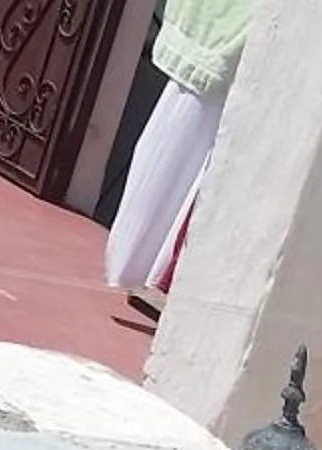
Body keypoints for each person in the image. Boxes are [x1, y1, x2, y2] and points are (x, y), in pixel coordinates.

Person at [103, 0, 255, 303]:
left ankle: (148, 273)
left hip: (219, 45)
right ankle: (150, 275)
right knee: (178, 164)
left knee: (171, 161)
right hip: (225, 50)